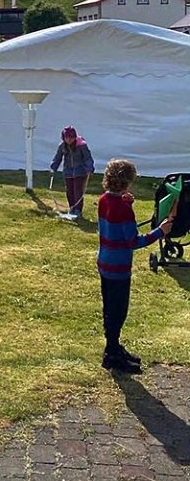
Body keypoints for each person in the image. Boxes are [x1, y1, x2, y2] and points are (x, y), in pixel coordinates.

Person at [97, 159, 171, 373]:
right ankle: (111, 354)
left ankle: (113, 347)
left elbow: (116, 223)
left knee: (109, 308)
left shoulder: (103, 199)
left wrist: (127, 203)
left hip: (105, 261)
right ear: (127, 182)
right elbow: (133, 241)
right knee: (118, 312)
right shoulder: (123, 209)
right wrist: (160, 231)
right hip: (118, 267)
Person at [51, 125, 94, 217]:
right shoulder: (62, 146)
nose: (69, 140)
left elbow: (87, 158)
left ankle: (78, 209)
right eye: (67, 137)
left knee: (78, 191)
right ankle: (72, 208)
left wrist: (89, 168)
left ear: (75, 137)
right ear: (63, 138)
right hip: (68, 172)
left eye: (71, 137)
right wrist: (53, 167)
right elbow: (58, 158)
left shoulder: (81, 145)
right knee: (69, 191)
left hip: (80, 171)